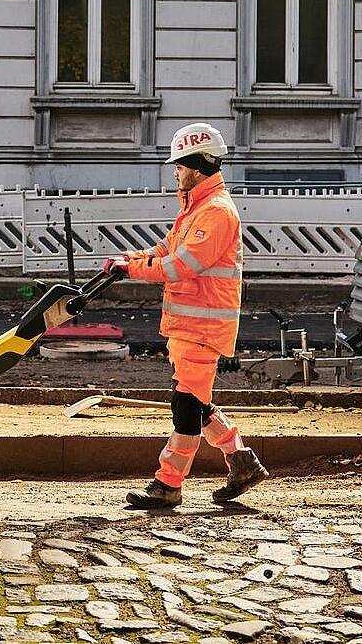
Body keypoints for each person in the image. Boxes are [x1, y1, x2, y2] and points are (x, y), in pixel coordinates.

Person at [105, 122, 267, 509]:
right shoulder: (196, 210)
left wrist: (131, 269)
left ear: (197, 165)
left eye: (180, 166)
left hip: (203, 325)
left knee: (186, 406)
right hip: (192, 324)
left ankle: (168, 483)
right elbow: (165, 249)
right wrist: (131, 258)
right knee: (196, 402)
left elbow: (179, 267)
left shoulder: (215, 213)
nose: (176, 172)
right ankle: (242, 462)